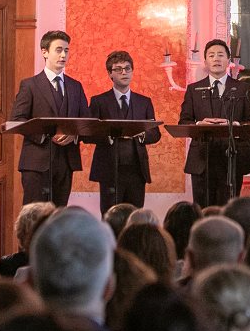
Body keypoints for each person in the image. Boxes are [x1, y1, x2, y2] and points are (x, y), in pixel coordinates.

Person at [10, 30, 89, 205]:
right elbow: (17, 119)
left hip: (66, 161)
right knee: (35, 215)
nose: (63, 55)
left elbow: (86, 121)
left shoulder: (75, 86)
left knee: (59, 215)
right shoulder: (30, 85)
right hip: (36, 162)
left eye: (66, 50)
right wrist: (45, 135)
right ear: (44, 52)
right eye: (58, 50)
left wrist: (74, 135)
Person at [179, 39, 250, 207]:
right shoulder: (193, 89)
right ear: (206, 61)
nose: (216, 59)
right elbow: (184, 121)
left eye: (220, 55)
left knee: (229, 210)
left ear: (228, 60)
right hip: (201, 159)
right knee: (202, 210)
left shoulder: (242, 88)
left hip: (232, 158)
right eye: (211, 55)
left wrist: (235, 125)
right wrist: (199, 124)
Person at [88, 50, 161, 212]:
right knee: (110, 216)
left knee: (135, 217)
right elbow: (88, 133)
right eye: (118, 69)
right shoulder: (99, 101)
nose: (124, 72)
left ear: (132, 71)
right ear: (110, 74)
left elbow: (155, 134)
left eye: (127, 68)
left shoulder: (144, 102)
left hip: (137, 170)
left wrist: (142, 134)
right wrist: (108, 135)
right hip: (109, 169)